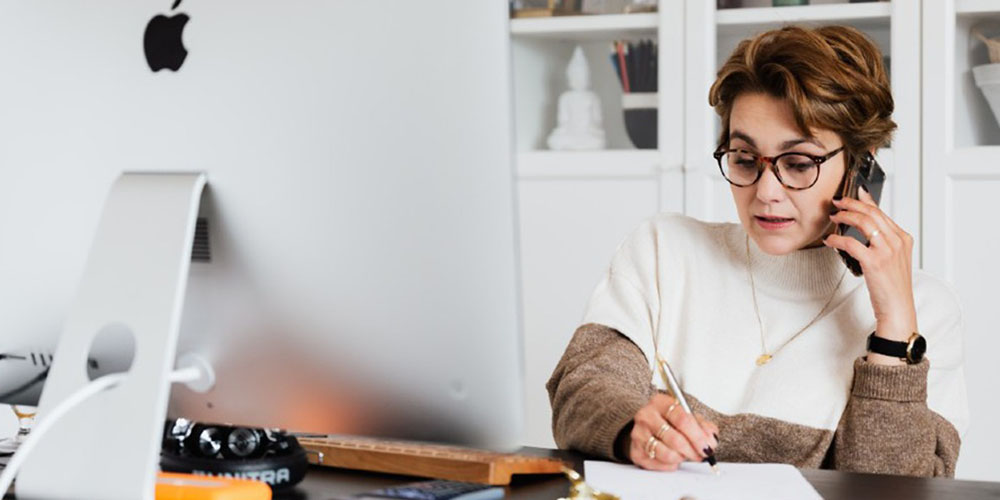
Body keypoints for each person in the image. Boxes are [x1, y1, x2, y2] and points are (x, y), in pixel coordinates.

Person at [546, 25, 967, 478]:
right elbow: (581, 389)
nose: (766, 192)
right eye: (745, 159)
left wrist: (892, 336)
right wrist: (634, 427)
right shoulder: (664, 251)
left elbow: (892, 488)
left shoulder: (922, 310)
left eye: (799, 163)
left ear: (860, 166)